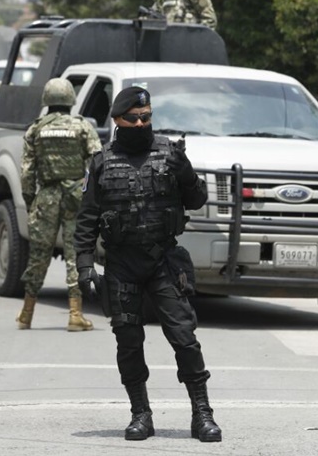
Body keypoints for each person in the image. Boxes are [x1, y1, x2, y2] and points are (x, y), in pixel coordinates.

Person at [74, 86, 222, 443]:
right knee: (128, 341)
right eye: (133, 119)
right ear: (118, 121)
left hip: (163, 261)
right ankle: (140, 414)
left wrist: (185, 172)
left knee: (184, 338)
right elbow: (86, 220)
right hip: (122, 263)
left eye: (147, 118)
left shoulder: (171, 154)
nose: (141, 124)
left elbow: (198, 199)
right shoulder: (101, 162)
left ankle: (202, 413)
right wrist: (83, 266)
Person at [16, 78, 102, 332]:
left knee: (38, 255)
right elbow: (97, 162)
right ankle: (75, 314)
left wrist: (32, 201)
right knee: (75, 253)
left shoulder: (35, 129)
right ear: (70, 100)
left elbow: (27, 173)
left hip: (47, 196)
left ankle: (26, 314)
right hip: (76, 196)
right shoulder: (82, 127)